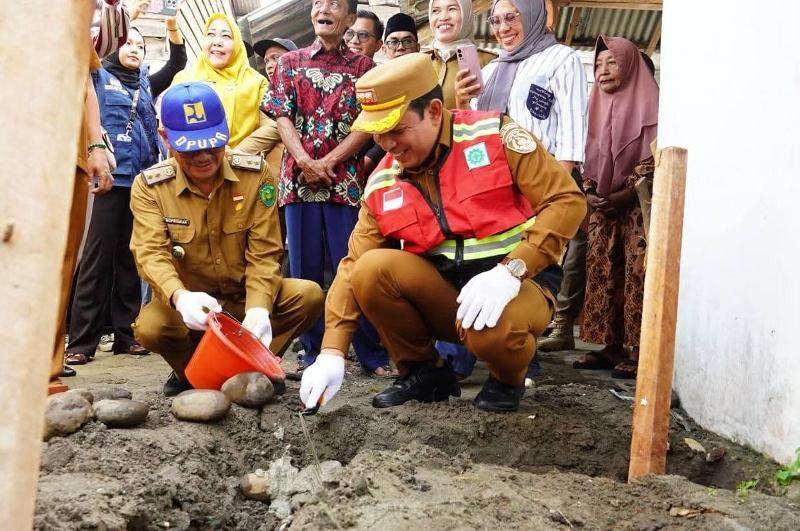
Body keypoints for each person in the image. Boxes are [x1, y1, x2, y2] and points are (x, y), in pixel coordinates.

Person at [298, 53, 586, 413]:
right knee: (370, 269)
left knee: (492, 328)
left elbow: (566, 201)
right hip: (446, 295)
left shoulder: (495, 136)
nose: (387, 144)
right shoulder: (383, 181)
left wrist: (512, 270)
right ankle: (425, 373)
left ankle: (507, 378)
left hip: (517, 286)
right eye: (378, 133)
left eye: (397, 129)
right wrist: (332, 351)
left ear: (435, 111)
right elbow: (353, 265)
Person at [129, 82, 323, 396]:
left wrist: (259, 308)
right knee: (151, 326)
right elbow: (150, 252)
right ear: (165, 138)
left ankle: (254, 367)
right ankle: (190, 372)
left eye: (213, 144)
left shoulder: (254, 175)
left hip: (243, 300)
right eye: (191, 149)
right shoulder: (150, 187)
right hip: (193, 309)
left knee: (307, 295)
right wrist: (180, 297)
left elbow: (265, 252)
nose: (204, 156)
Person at [453, 0, 588, 372]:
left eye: (511, 17)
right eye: (496, 20)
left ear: (532, 14)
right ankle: (489, 344)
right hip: (495, 188)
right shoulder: (491, 69)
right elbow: (477, 131)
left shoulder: (562, 60)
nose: (503, 27)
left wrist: (551, 199)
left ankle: (523, 354)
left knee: (532, 265)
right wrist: (463, 100)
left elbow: (571, 135)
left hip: (540, 186)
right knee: (496, 265)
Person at [262, 0, 393, 378]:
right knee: (304, 271)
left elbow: (369, 121)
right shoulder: (290, 62)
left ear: (349, 19)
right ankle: (313, 352)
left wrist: (330, 161)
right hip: (298, 180)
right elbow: (281, 116)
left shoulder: (365, 68)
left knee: (351, 266)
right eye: (319, 2)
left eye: (334, 4)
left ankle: (370, 353)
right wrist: (305, 160)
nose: (325, 9)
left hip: (344, 182)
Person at [65, 20, 187, 366]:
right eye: (129, 42)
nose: (135, 49)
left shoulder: (146, 82)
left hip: (142, 183)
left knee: (131, 260)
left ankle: (127, 335)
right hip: (108, 180)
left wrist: (172, 25)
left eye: (141, 46)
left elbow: (177, 63)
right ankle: (81, 341)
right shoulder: (97, 76)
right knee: (96, 259)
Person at [51, 2, 128, 388]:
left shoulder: (72, 19)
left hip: (71, 150)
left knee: (64, 258)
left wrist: (97, 145)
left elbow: (84, 82)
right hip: (20, 142)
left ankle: (48, 365)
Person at [573, 35, 658, 379]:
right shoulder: (594, 105)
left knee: (637, 274)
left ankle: (639, 349)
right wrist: (590, 191)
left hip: (637, 206)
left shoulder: (654, 105)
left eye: (612, 62)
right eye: (598, 64)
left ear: (630, 66)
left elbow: (656, 153)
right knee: (604, 270)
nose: (603, 70)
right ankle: (610, 347)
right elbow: (586, 151)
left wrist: (626, 191)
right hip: (603, 207)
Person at [171, 13, 280, 155]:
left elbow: (273, 125)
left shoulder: (257, 82)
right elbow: (171, 127)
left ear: (238, 45)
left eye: (226, 36)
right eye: (211, 34)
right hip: (194, 162)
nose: (217, 42)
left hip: (242, 164)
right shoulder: (184, 80)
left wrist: (235, 154)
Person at [362, 12, 421, 176]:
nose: (400, 47)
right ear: (384, 49)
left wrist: (370, 159)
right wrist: (367, 161)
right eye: (394, 42)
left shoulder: (428, 81)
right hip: (379, 170)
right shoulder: (373, 83)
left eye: (407, 41)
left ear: (418, 47)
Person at [426, 0, 496, 110]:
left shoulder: (490, 62)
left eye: (452, 9)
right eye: (435, 11)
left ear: (466, 14)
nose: (443, 17)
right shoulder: (422, 63)